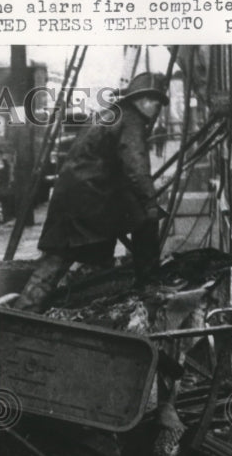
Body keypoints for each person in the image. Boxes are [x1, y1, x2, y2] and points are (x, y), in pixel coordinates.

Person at [13, 72, 169, 312]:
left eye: (159, 101)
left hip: (76, 195)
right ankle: (147, 285)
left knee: (57, 258)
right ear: (139, 100)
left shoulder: (110, 113)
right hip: (91, 198)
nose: (157, 106)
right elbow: (136, 167)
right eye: (153, 100)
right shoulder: (131, 121)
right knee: (146, 221)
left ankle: (23, 311)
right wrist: (150, 202)